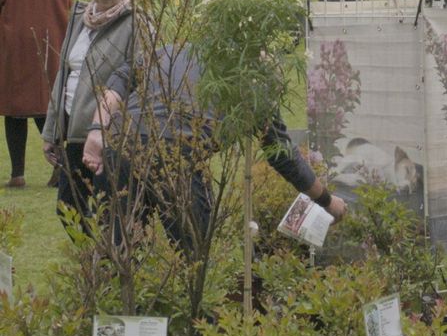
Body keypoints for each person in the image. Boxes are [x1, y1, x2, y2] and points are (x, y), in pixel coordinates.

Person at [81, 40, 347, 244]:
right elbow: (282, 155)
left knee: (119, 252)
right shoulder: (253, 82)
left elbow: (118, 81)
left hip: (118, 143)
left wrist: (97, 129)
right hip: (175, 153)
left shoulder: (172, 51)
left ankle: (118, 313)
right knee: (195, 257)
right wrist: (327, 201)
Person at [42, 0, 136, 219]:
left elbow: (139, 77)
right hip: (73, 132)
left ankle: (105, 262)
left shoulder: (134, 23)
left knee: (108, 215)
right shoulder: (79, 17)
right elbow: (64, 74)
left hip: (107, 135)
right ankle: (96, 261)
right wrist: (51, 131)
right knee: (68, 211)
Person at [0, 0, 72, 187]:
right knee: (45, 107)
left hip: (14, 41)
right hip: (49, 38)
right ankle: (60, 166)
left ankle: (17, 174)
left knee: (14, 107)